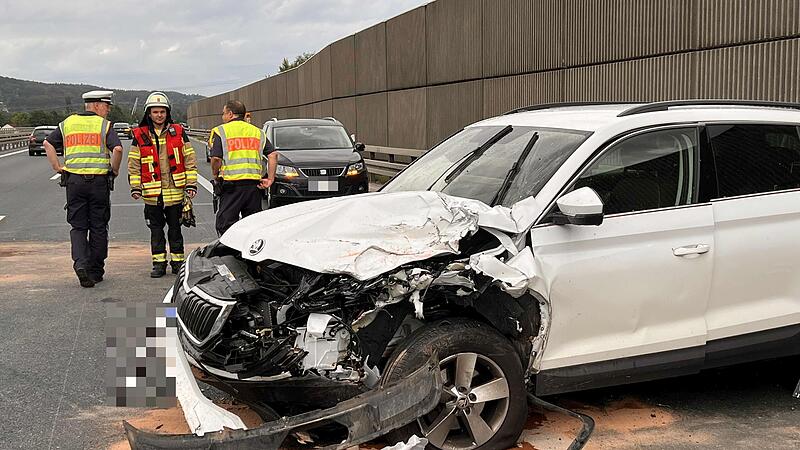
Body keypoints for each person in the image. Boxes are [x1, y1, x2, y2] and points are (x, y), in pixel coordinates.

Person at [43, 90, 123, 288]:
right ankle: (96, 271)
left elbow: (47, 143)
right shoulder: (104, 125)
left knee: (78, 227)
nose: (108, 109)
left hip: (74, 183)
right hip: (98, 183)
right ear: (96, 105)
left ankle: (80, 263)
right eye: (106, 106)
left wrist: (57, 167)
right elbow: (118, 149)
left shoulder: (67, 123)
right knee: (98, 226)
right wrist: (114, 170)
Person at [128, 92, 198, 278]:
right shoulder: (140, 135)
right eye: (155, 112)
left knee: (176, 230)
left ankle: (177, 264)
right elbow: (134, 164)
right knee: (156, 231)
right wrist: (135, 187)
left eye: (162, 111)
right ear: (148, 113)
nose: (159, 115)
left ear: (167, 113)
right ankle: (158, 264)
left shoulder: (179, 132)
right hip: (152, 196)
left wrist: (191, 184)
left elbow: (189, 159)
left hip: (175, 193)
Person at [209, 100, 277, 235]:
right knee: (253, 225)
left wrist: (215, 175)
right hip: (254, 187)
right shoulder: (257, 132)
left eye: (223, 113)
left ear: (230, 114)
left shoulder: (221, 131)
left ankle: (231, 254)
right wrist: (270, 179)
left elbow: (216, 158)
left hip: (231, 186)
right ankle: (249, 254)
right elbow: (273, 155)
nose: (222, 116)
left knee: (225, 225)